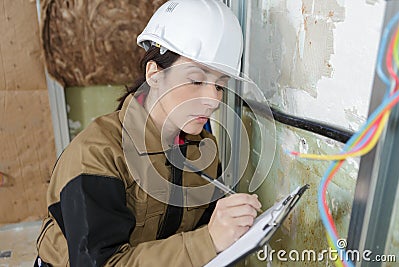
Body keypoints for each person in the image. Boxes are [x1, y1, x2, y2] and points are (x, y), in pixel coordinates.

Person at [35, 0, 262, 266]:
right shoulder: (96, 156)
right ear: (154, 74)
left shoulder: (203, 150)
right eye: (196, 81)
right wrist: (208, 241)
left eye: (220, 85)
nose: (213, 99)